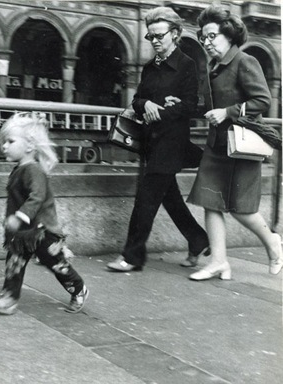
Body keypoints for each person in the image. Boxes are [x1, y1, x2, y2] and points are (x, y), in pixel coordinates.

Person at [107, 7, 210, 272]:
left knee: (146, 198)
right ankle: (198, 240)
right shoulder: (149, 67)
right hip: (152, 143)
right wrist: (148, 104)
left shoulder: (187, 64)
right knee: (170, 197)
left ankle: (132, 257)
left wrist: (162, 110)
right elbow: (137, 99)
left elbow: (192, 105)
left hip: (172, 143)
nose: (154, 41)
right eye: (150, 36)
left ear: (175, 34)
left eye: (159, 35)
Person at [187, 5, 283, 281]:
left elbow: (262, 100)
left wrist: (227, 112)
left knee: (242, 209)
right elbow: (211, 103)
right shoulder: (213, 67)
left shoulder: (244, 61)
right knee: (210, 201)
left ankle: (273, 243)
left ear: (228, 35)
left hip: (242, 145)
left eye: (212, 36)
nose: (206, 42)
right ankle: (219, 262)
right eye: (203, 37)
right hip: (218, 144)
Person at [0, 112, 89, 314]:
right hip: (24, 233)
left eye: (10, 141)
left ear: (30, 146)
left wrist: (19, 217)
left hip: (42, 231)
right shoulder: (19, 169)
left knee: (57, 265)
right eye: (4, 142)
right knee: (14, 264)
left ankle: (78, 288)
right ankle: (9, 299)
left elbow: (37, 197)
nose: (4, 146)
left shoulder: (33, 170)